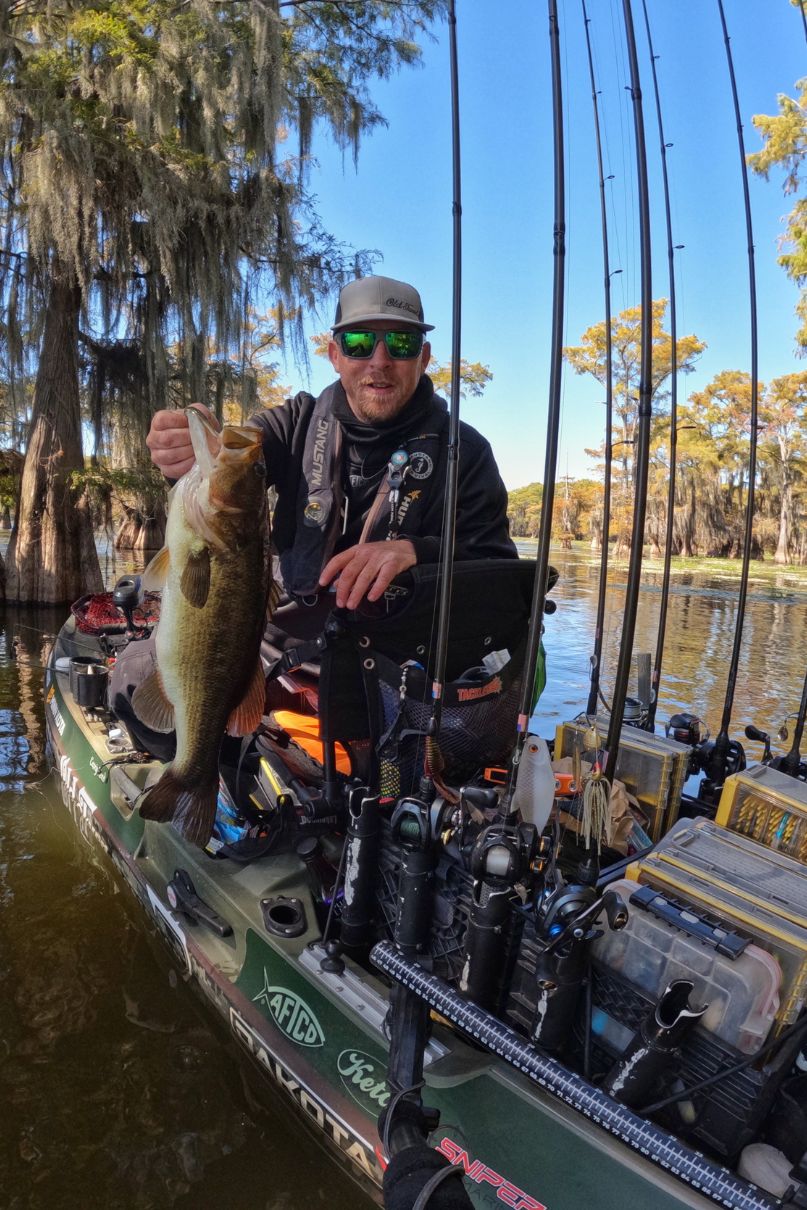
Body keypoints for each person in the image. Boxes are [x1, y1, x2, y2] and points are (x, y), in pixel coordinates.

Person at [146, 275, 516, 618]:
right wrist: (186, 452)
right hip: (292, 630)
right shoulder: (293, 424)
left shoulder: (465, 452)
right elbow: (232, 467)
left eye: (402, 343)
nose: (380, 361)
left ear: (424, 357)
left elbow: (499, 571)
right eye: (359, 343)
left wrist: (417, 551)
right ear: (335, 355)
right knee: (134, 670)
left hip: (396, 647)